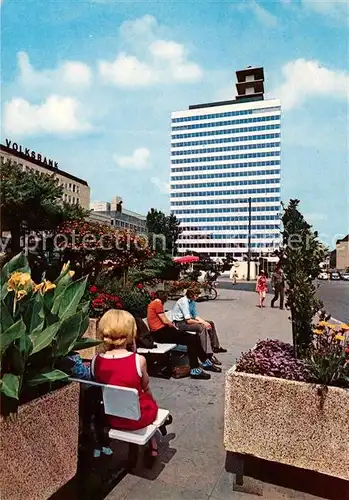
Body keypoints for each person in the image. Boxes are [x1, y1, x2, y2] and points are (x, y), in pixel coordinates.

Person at [93, 309, 160, 457]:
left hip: (111, 416)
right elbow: (146, 388)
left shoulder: (96, 360)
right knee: (149, 402)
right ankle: (154, 443)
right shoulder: (138, 360)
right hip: (137, 417)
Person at [147, 291, 214, 379]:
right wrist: (174, 327)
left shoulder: (154, 303)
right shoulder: (157, 303)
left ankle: (203, 363)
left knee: (193, 338)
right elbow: (165, 321)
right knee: (191, 340)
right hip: (160, 334)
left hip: (162, 332)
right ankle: (197, 368)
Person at [172, 290, 226, 366]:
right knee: (201, 327)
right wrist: (203, 323)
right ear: (191, 295)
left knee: (210, 323)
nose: (198, 297)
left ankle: (215, 346)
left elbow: (195, 316)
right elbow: (188, 321)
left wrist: (205, 322)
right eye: (196, 295)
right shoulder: (184, 302)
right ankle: (208, 354)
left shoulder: (192, 301)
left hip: (187, 321)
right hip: (180, 324)